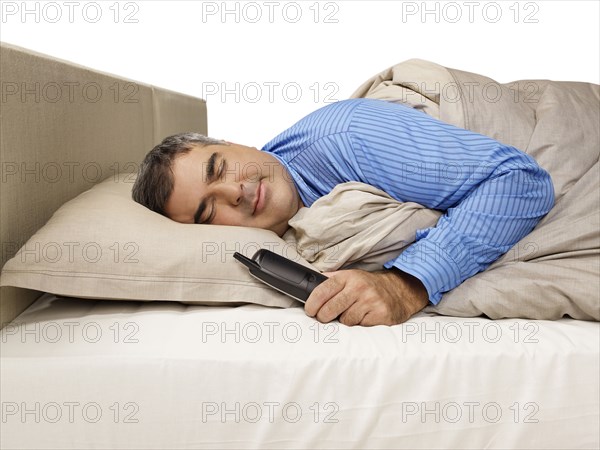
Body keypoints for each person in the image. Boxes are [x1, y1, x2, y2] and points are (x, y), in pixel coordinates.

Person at [132, 98, 555, 326]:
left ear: (232, 140)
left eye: (220, 167)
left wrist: (405, 285)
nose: (236, 191)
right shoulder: (277, 239)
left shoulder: (349, 136)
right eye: (208, 212)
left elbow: (520, 179)